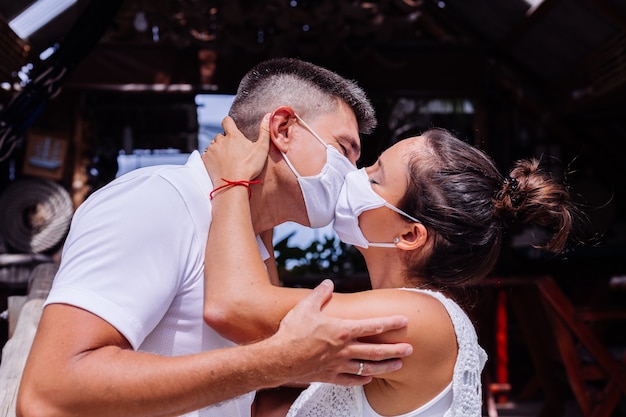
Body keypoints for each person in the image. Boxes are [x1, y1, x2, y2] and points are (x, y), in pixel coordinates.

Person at [16, 58, 415, 417]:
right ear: (283, 128)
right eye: (345, 150)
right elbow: (50, 393)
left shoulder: (245, 236)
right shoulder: (161, 200)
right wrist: (272, 362)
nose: (352, 172)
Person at [201, 118, 579, 416]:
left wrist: (232, 180)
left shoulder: (416, 316)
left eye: (376, 176)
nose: (356, 175)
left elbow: (235, 307)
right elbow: (265, 328)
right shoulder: (408, 306)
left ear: (410, 234)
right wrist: (266, 204)